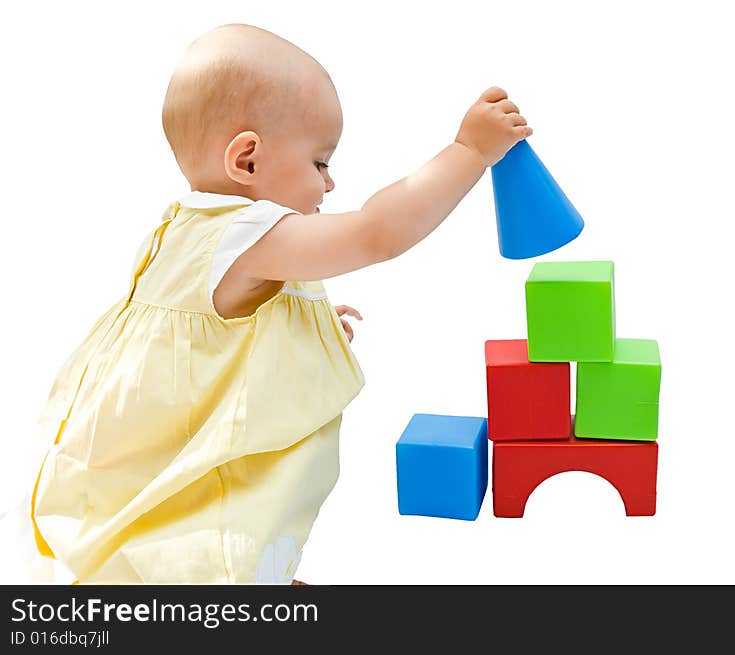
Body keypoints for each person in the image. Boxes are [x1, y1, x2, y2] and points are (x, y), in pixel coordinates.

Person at [24, 23, 532, 584]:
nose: (331, 184)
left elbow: (210, 352)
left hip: (149, 460)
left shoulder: (186, 228)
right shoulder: (245, 233)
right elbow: (377, 233)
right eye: (320, 163)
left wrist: (301, 326)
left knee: (211, 506)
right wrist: (469, 152)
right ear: (246, 161)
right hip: (196, 503)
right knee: (210, 515)